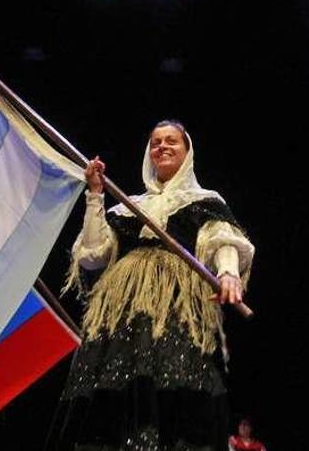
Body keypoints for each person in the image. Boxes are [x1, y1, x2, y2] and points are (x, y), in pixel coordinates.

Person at [48, 120, 255, 451]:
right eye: (156, 142)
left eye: (171, 141)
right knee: (114, 397)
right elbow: (92, 256)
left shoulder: (205, 201)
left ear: (187, 153)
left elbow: (222, 240)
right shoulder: (128, 205)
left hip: (175, 310)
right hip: (121, 314)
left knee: (175, 391)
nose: (162, 146)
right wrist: (96, 195)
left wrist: (229, 273)